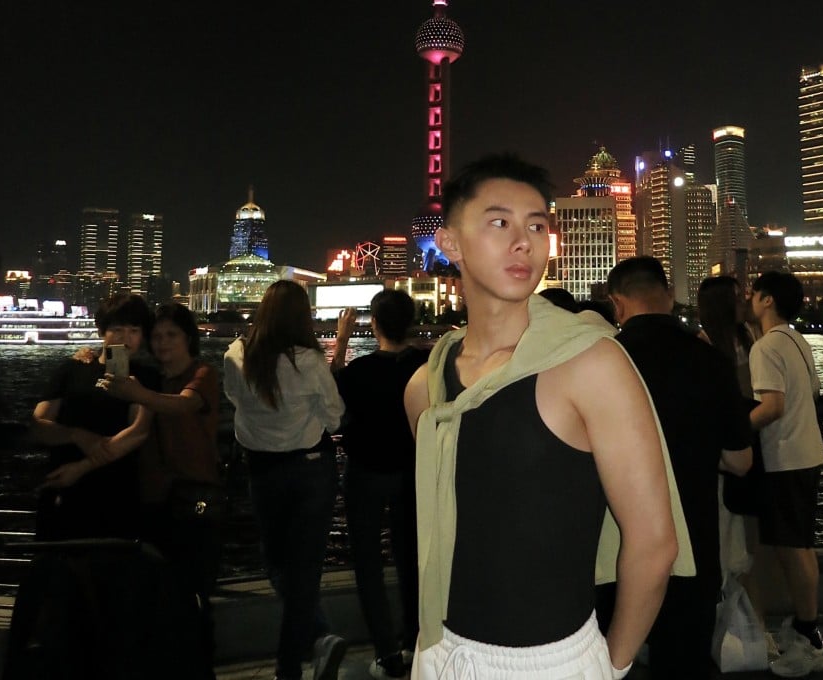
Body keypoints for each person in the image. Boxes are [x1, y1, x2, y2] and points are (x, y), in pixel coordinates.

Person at [403, 153, 692, 679]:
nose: (524, 241)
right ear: (449, 243)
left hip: (552, 659)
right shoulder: (427, 387)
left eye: (537, 224)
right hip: (439, 649)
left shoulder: (589, 365)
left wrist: (612, 664)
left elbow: (655, 542)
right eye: (499, 222)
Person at [601, 256, 752, 679]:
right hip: (693, 541)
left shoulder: (603, 362)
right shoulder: (710, 362)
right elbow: (740, 461)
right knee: (684, 660)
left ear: (617, 304)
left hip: (615, 544)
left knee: (609, 658)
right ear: (669, 296)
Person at [223, 280, 348, 680]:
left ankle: (300, 655)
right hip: (311, 469)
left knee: (277, 562)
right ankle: (308, 647)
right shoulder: (308, 361)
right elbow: (335, 416)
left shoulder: (236, 355)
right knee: (305, 567)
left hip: (262, 470)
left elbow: (233, 400)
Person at [104, 302, 223, 680]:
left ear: (188, 337)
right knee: (157, 598)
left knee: (193, 597)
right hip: (154, 504)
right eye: (156, 336)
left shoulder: (202, 375)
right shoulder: (153, 380)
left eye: (171, 334)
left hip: (194, 503)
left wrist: (135, 393)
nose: (162, 342)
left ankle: (199, 670)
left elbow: (183, 406)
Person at [331, 290, 430, 679]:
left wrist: (340, 341)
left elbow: (335, 408)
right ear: (410, 322)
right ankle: (416, 641)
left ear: (372, 324)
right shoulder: (425, 364)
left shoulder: (358, 371)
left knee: (369, 564)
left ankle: (387, 654)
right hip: (412, 470)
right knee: (414, 557)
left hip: (367, 471)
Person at [746, 270, 823, 677]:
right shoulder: (795, 340)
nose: (750, 298)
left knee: (792, 550)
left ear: (767, 300)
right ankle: (805, 627)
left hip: (783, 458)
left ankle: (810, 638)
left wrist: (732, 428)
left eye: (755, 293)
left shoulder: (765, 347)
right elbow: (812, 393)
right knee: (802, 545)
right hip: (809, 453)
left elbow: (772, 406)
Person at [30, 293, 158, 540]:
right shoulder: (71, 369)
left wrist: (82, 467)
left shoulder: (145, 378)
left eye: (134, 330)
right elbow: (38, 425)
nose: (125, 338)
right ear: (102, 332)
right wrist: (77, 436)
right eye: (117, 329)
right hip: (62, 489)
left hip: (116, 491)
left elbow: (137, 431)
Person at [697, 275, 779, 657]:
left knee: (736, 541)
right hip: (741, 447)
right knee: (740, 542)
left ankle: (744, 631)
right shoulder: (741, 340)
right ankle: (753, 631)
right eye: (738, 296)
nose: (745, 299)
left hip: (726, 451)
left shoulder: (734, 340)